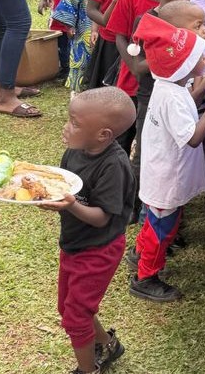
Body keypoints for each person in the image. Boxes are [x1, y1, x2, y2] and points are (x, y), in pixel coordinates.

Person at [126, 9, 205, 301]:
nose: (204, 60)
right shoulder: (172, 96)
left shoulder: (168, 86)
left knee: (156, 223)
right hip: (167, 177)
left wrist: (198, 91)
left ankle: (139, 253)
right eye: (198, 59)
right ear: (181, 65)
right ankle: (145, 277)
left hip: (161, 173)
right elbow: (193, 138)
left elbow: (183, 108)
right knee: (161, 229)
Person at [37, 86, 137, 374]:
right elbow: (66, 186)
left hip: (99, 249)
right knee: (68, 308)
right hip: (74, 243)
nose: (67, 128)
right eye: (69, 119)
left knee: (76, 316)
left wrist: (68, 205)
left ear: (103, 135)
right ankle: (107, 344)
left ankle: (87, 370)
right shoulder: (75, 152)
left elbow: (102, 218)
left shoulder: (114, 166)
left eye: (75, 123)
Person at [107, 0, 184, 153]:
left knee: (147, 135)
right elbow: (119, 36)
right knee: (122, 134)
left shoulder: (181, 6)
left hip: (156, 84)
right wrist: (132, 65)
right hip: (132, 78)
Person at [53, 0, 112, 97]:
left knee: (100, 60)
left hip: (105, 30)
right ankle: (77, 90)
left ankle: (97, 88)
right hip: (82, 32)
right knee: (81, 60)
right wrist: (69, 25)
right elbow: (69, 3)